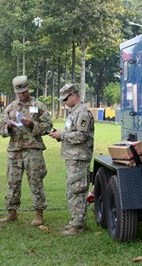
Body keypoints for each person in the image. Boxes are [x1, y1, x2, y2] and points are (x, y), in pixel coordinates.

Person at [0, 75, 52, 226]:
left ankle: (39, 213)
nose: (22, 95)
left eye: (24, 92)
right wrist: (8, 127)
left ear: (28, 89)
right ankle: (12, 212)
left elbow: (47, 126)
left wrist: (31, 124)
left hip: (33, 149)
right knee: (12, 182)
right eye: (19, 92)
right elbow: (0, 130)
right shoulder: (10, 108)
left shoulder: (38, 106)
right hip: (15, 150)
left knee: (36, 181)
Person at [49, 84, 94, 236]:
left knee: (77, 190)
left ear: (74, 95)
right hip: (73, 158)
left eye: (65, 99)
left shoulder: (83, 113)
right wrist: (60, 135)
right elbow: (72, 133)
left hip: (79, 158)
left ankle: (78, 225)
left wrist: (62, 135)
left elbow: (81, 136)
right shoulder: (74, 112)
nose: (64, 103)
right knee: (73, 189)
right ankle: (76, 221)